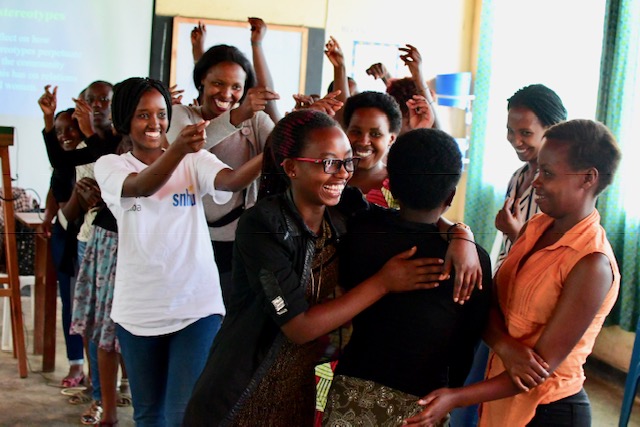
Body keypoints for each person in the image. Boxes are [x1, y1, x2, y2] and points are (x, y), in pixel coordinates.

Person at [183, 110, 457, 426]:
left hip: (296, 392)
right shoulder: (262, 225)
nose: (342, 173)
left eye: (346, 162)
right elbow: (298, 327)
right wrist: (383, 283)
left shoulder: (344, 209)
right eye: (329, 163)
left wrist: (458, 232)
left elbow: (405, 223)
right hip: (241, 389)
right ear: (291, 168)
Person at [405, 119, 622, 427]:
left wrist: (455, 397)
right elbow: (490, 304)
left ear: (588, 179)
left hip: (548, 411)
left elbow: (534, 372)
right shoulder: (536, 228)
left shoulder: (591, 264)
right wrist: (507, 347)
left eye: (547, 173)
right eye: (537, 170)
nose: (535, 182)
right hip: (500, 399)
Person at [94, 77, 263, 426]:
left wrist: (275, 149)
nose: (154, 123)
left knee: (178, 416)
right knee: (149, 414)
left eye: (160, 114)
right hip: (138, 311)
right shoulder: (111, 166)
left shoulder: (194, 159)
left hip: (196, 307)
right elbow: (141, 186)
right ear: (124, 119)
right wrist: (177, 150)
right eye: (143, 115)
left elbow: (231, 181)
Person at [322, 128, 493, 426]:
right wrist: (460, 231)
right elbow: (467, 343)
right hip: (422, 403)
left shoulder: (359, 231)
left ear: (392, 186)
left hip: (352, 386)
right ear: (451, 195)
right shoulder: (470, 261)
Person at [167, 23, 279, 297]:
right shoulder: (180, 114)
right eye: (218, 83)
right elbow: (191, 145)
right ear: (201, 80)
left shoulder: (256, 121)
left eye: (236, 87)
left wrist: (306, 122)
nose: (226, 94)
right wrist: (239, 114)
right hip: (188, 241)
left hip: (240, 242)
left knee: (231, 320)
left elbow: (283, 148)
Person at [493, 84, 567, 272]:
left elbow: (554, 262)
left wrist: (514, 233)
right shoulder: (517, 177)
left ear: (552, 130)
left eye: (526, 133)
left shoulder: (560, 187)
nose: (515, 140)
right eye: (510, 130)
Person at [343, 90, 432, 208]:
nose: (364, 142)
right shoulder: (328, 178)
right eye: (356, 132)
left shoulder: (400, 185)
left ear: (391, 139)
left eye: (375, 134)